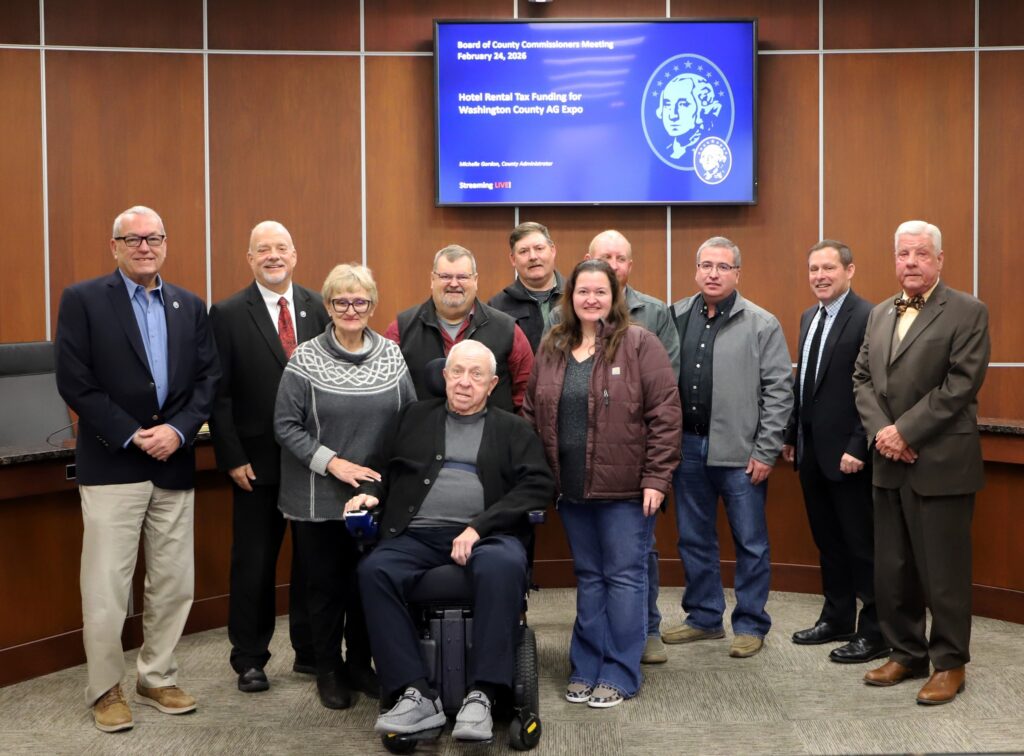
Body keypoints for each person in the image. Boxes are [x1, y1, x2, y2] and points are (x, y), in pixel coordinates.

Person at [54, 205, 220, 732]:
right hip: (113, 464)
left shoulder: (189, 305)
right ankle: (106, 688)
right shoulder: (83, 300)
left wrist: (178, 431)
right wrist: (131, 432)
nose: (145, 247)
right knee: (106, 587)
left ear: (166, 244)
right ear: (115, 246)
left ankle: (156, 675)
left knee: (174, 582)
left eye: (154, 238)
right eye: (133, 239)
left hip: (173, 462)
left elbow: (208, 381)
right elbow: (74, 380)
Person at [353, 340, 555, 741]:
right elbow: (379, 469)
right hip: (416, 534)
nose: (465, 382)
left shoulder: (513, 429)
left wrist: (480, 526)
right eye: (457, 372)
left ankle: (482, 694)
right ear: (444, 376)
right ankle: (414, 693)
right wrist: (370, 494)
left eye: (476, 375)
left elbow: (538, 486)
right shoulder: (412, 417)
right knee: (374, 570)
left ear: (492, 384)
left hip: (488, 537)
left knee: (502, 565)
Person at [523, 259, 681, 708]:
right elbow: (531, 412)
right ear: (569, 297)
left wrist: (656, 478)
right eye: (583, 291)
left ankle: (620, 671)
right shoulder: (553, 344)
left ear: (615, 297)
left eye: (600, 292)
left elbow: (665, 416)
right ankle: (586, 665)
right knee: (590, 579)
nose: (591, 299)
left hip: (627, 492)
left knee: (625, 579)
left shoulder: (639, 343)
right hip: (571, 490)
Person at [853, 220, 989, 705]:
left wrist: (904, 432)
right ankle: (906, 653)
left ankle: (950, 663)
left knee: (943, 572)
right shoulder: (879, 314)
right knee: (894, 569)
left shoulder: (968, 311)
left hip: (941, 461)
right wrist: (883, 434)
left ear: (939, 259)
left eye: (921, 254)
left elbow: (961, 384)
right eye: (903, 254)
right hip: (890, 462)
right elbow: (862, 378)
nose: (910, 262)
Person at [274, 263, 416, 710]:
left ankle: (359, 665)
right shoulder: (305, 358)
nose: (351, 309)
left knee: (365, 585)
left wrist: (385, 480)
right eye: (341, 301)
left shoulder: (392, 355)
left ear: (372, 306)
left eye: (360, 301)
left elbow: (410, 419)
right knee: (325, 589)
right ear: (328, 306)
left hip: (373, 496)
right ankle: (328, 670)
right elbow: (285, 424)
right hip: (318, 496)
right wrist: (332, 463)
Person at [209, 221, 331, 692]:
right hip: (255, 463)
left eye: (281, 248)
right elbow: (218, 393)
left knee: (312, 562)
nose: (273, 256)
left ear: (295, 255)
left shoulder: (319, 306)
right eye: (263, 249)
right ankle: (249, 658)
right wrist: (231, 455)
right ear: (250, 258)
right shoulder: (226, 313)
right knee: (254, 564)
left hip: (311, 461)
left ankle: (310, 651)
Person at [663, 236, 792, 658]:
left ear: (737, 273)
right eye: (706, 265)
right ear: (696, 270)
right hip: (687, 449)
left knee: (750, 542)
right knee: (693, 539)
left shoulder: (761, 323)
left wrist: (766, 450)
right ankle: (703, 617)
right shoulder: (675, 316)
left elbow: (779, 392)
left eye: (723, 267)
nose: (713, 274)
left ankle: (751, 624)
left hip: (741, 454)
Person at [782, 240, 887, 663]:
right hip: (811, 452)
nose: (820, 276)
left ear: (849, 270)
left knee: (862, 546)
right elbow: (805, 383)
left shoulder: (868, 316)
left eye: (828, 268)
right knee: (828, 543)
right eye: (814, 269)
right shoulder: (810, 316)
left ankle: (875, 631)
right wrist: (791, 434)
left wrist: (859, 444)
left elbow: (875, 387)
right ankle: (837, 617)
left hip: (849, 455)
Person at [585, 229, 680, 665]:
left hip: (635, 454)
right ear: (588, 260)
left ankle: (648, 628)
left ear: (629, 266)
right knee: (593, 560)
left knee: (641, 549)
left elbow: (666, 385)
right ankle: (602, 635)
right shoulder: (568, 312)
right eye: (605, 256)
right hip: (586, 457)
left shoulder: (654, 313)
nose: (613, 264)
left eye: (620, 258)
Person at [385, 244, 532, 411]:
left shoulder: (508, 330)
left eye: (462, 277)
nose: (454, 284)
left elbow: (526, 392)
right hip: (421, 427)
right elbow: (387, 392)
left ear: (475, 280)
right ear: (432, 279)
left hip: (493, 428)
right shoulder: (401, 329)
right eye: (445, 276)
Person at [489, 221, 565, 352]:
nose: (533, 257)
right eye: (523, 251)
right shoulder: (497, 307)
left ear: (553, 250)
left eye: (539, 248)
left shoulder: (576, 296)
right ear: (513, 259)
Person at [657, 73, 722, 159]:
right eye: (667, 104)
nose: (673, 115)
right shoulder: (665, 150)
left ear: (701, 108)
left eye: (683, 104)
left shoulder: (709, 154)